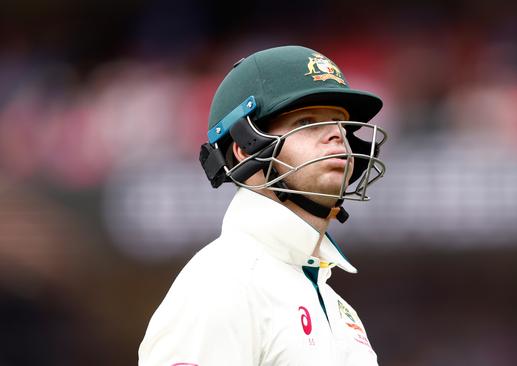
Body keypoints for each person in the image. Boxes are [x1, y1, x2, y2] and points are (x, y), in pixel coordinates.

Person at [139, 45, 388, 365]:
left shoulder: (340, 310)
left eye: (340, 122)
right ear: (246, 148)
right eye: (308, 121)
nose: (337, 136)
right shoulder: (220, 285)